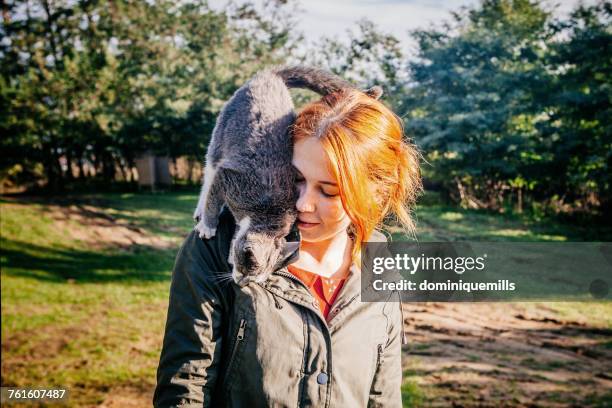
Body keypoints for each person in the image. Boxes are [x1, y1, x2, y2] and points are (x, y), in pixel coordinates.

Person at [153, 86, 422, 407]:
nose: (303, 203)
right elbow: (186, 388)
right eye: (295, 179)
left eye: (329, 191)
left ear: (377, 193)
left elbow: (384, 396)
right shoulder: (221, 245)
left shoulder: (379, 264)